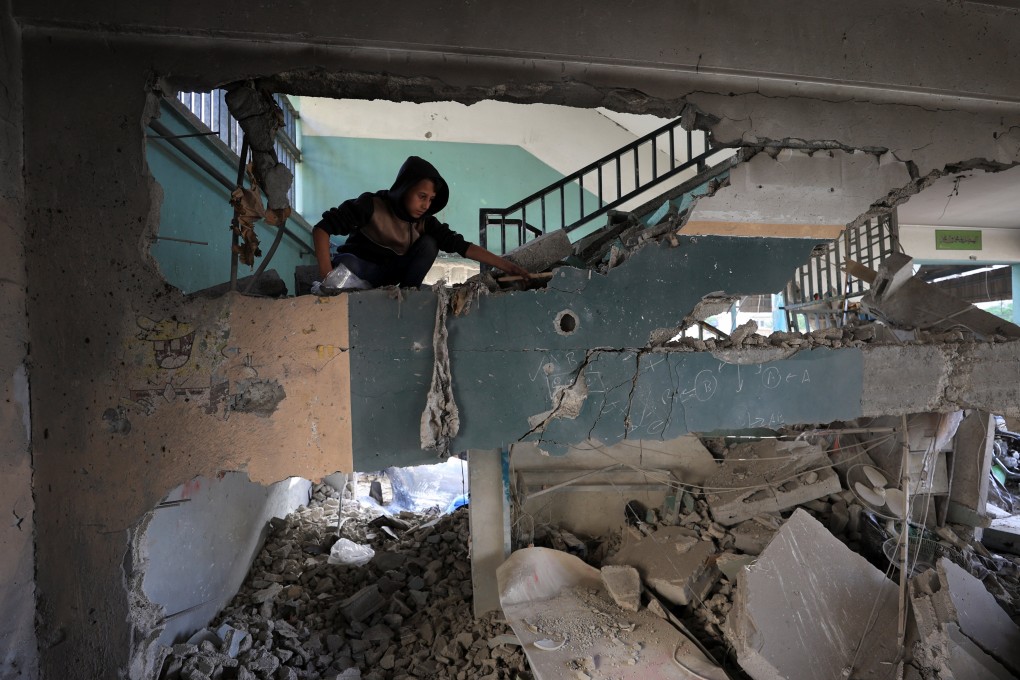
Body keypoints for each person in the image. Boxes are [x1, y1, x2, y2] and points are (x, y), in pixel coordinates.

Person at [312, 155, 531, 292]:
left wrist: (508, 266)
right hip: (359, 270)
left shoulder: (425, 223)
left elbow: (462, 246)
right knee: (348, 262)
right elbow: (322, 229)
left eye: (431, 199)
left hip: (389, 278)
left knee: (429, 243)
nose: (426, 205)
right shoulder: (370, 204)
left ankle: (409, 294)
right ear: (405, 188)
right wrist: (326, 275)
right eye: (422, 196)